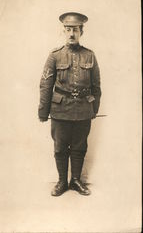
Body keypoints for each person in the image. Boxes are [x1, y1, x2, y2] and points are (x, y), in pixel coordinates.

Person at [38, 12, 101, 196]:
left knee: (80, 146)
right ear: (63, 31)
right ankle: (61, 182)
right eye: (68, 29)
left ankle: (75, 181)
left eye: (75, 29)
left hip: (83, 109)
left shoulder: (90, 55)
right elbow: (45, 85)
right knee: (60, 147)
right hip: (60, 109)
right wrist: (43, 111)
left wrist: (93, 110)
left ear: (81, 31)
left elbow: (96, 86)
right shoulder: (54, 56)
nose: (71, 33)